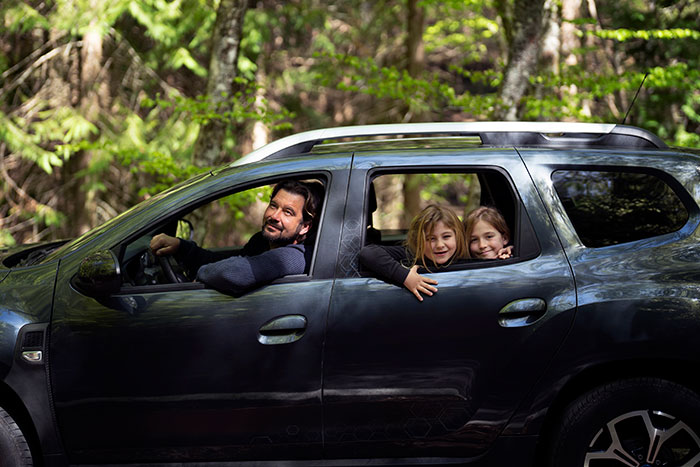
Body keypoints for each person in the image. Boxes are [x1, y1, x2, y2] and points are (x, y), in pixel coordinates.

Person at [149, 179, 323, 294]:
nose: (274, 216)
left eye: (288, 212)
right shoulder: (262, 241)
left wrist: (201, 276)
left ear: (305, 227)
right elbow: (228, 259)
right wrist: (181, 247)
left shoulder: (298, 256)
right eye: (273, 205)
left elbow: (236, 272)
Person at [359, 204, 468, 301]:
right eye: (430, 239)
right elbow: (368, 253)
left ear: (457, 236)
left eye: (446, 236)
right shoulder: (411, 256)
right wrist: (406, 277)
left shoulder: (466, 257)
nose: (440, 245)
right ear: (419, 241)